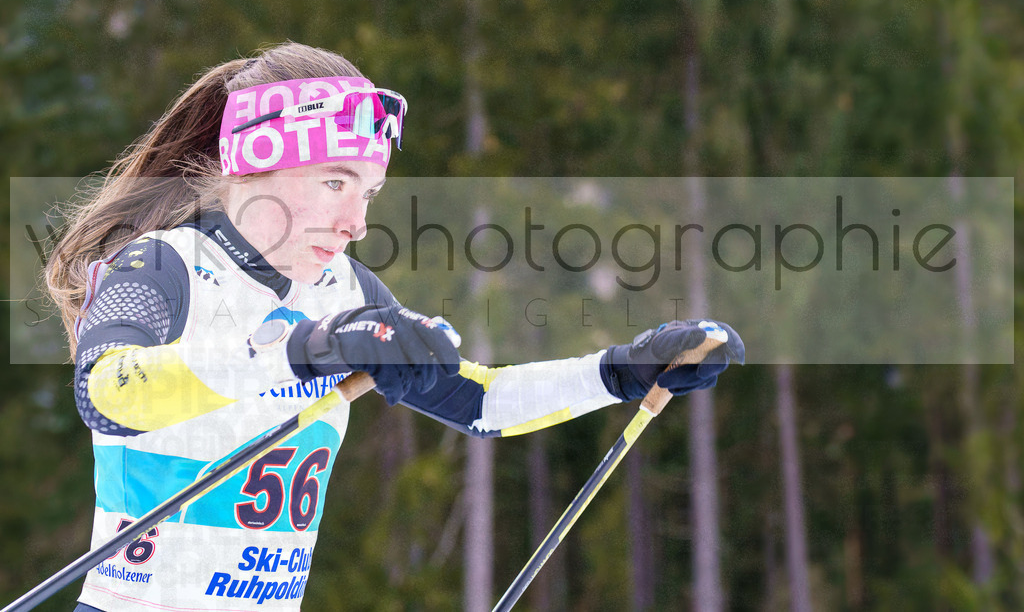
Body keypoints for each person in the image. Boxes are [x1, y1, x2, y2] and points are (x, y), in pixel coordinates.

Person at [45, 42, 743, 611]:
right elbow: (107, 393)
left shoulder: (343, 289)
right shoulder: (163, 263)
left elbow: (481, 402)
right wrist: (305, 348)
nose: (358, 220)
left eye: (369, 191)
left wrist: (620, 371)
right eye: (335, 181)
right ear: (255, 161)